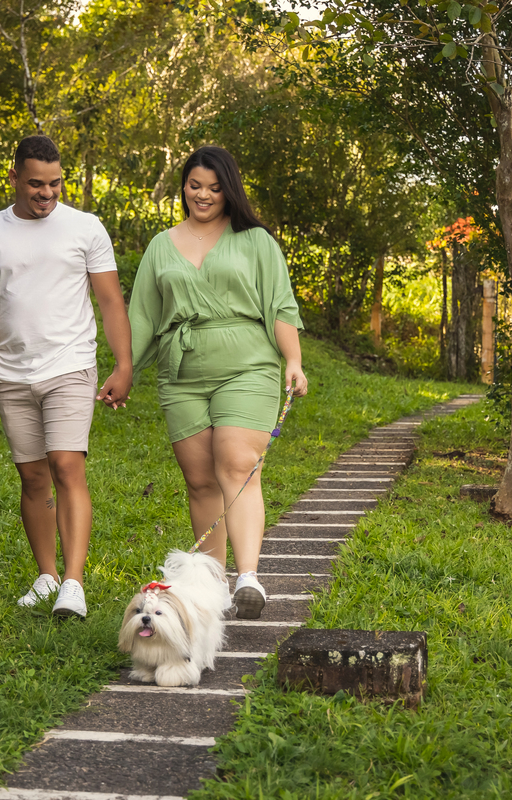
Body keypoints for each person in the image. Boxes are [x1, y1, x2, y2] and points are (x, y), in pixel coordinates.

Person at [0, 134, 133, 618]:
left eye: (55, 184)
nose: (47, 194)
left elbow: (111, 301)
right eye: (36, 184)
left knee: (66, 466)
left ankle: (74, 582)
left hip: (70, 364)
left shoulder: (85, 228)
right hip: (11, 371)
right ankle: (47, 574)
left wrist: (123, 364)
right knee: (32, 477)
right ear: (13, 178)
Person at [127, 145, 308, 620]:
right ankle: (211, 590)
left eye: (214, 187)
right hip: (182, 374)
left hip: (247, 364)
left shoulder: (255, 241)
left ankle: (248, 577)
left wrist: (293, 359)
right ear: (183, 186)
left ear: (230, 190)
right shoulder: (161, 245)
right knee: (200, 481)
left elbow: (280, 305)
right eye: (194, 185)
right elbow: (142, 317)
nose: (203, 195)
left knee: (237, 463)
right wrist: (123, 372)